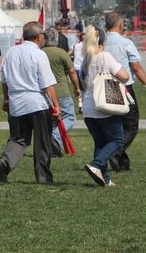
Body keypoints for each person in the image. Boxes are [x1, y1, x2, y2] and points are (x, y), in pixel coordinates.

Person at [0, 22, 61, 184]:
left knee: (18, 139)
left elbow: (5, 80)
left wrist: (6, 99)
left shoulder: (11, 52)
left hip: (16, 104)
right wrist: (56, 106)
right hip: (37, 103)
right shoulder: (39, 54)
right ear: (39, 37)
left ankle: (5, 162)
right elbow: (47, 84)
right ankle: (43, 177)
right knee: (42, 142)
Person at [80, 25, 129, 186]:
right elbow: (124, 76)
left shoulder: (85, 61)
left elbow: (83, 85)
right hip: (105, 105)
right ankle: (96, 164)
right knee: (117, 141)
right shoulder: (105, 56)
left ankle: (105, 179)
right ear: (102, 41)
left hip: (88, 108)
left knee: (100, 143)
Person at [104, 11, 146, 172]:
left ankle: (122, 163)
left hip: (107, 87)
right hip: (124, 88)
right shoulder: (125, 42)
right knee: (131, 125)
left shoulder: (102, 42)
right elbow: (136, 67)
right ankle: (115, 152)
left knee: (117, 125)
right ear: (121, 25)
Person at [42, 28, 81, 157]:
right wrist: (77, 88)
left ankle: (52, 149)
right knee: (69, 117)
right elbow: (72, 72)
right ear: (57, 39)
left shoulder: (40, 52)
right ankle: (55, 138)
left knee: (52, 121)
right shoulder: (61, 53)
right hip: (61, 91)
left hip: (45, 93)